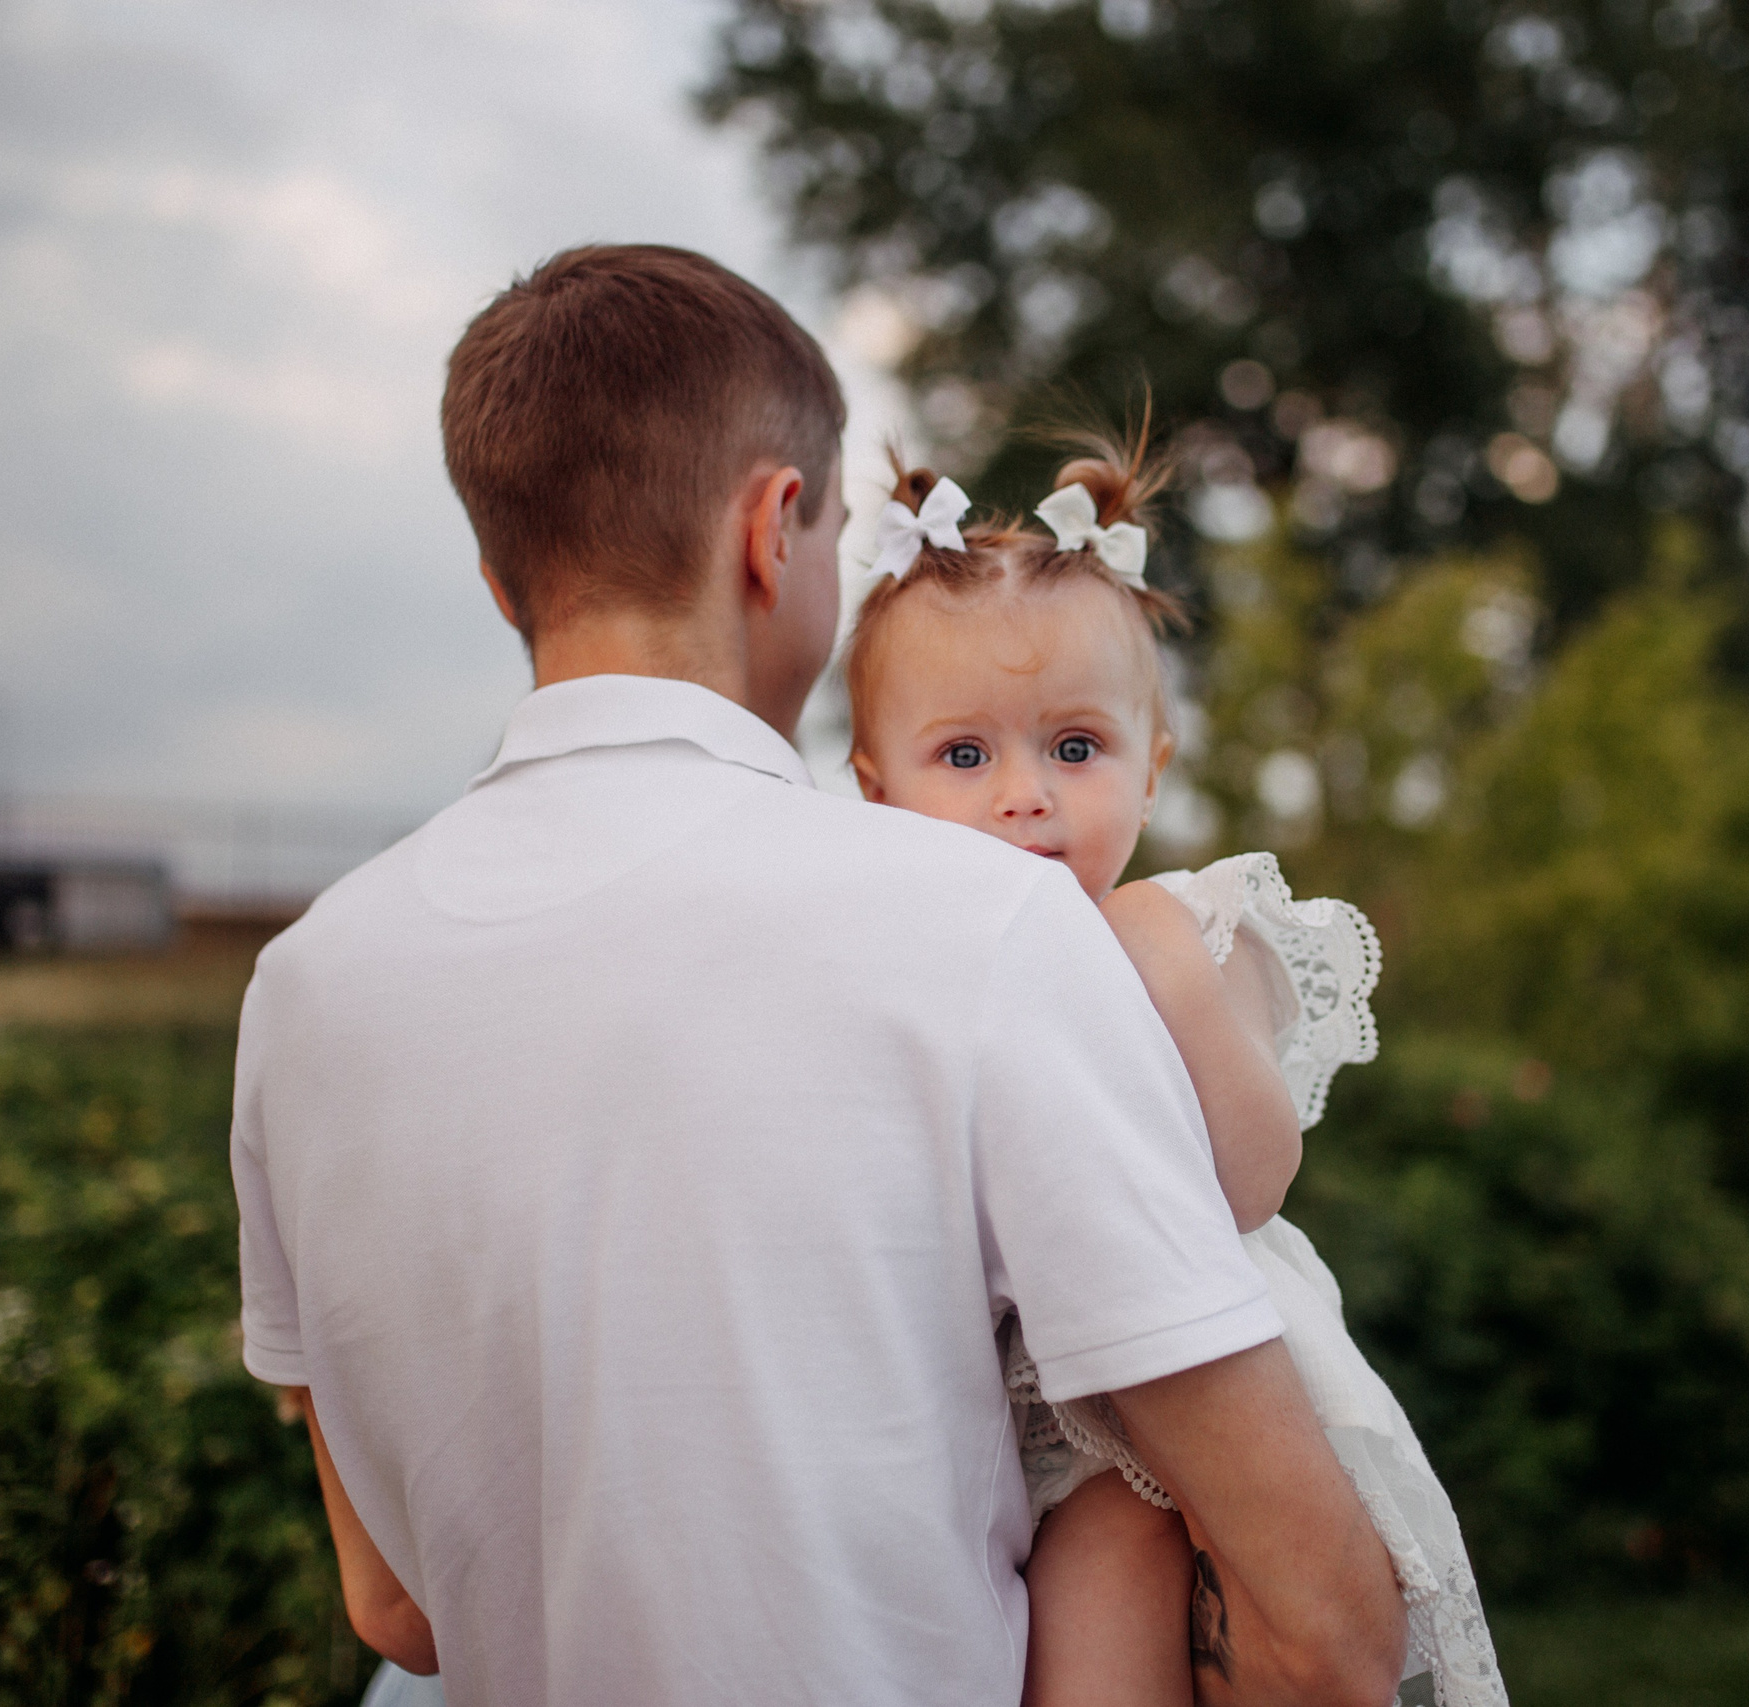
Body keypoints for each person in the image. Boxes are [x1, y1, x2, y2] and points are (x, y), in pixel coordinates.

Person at [228, 244, 1406, 1707]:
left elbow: (396, 1604)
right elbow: (1323, 1632)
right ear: (773, 529)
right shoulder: (990, 922)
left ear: (498, 577)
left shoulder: (298, 991)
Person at [843, 434, 1507, 1707]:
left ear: (1152, 771)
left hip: (1169, 1415)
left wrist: (1172, 988)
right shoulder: (889, 977)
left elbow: (1254, 1177)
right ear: (875, 795)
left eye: (1076, 748)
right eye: (966, 757)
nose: (1026, 797)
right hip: (971, 1421)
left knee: (1129, 1609)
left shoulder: (1177, 931)